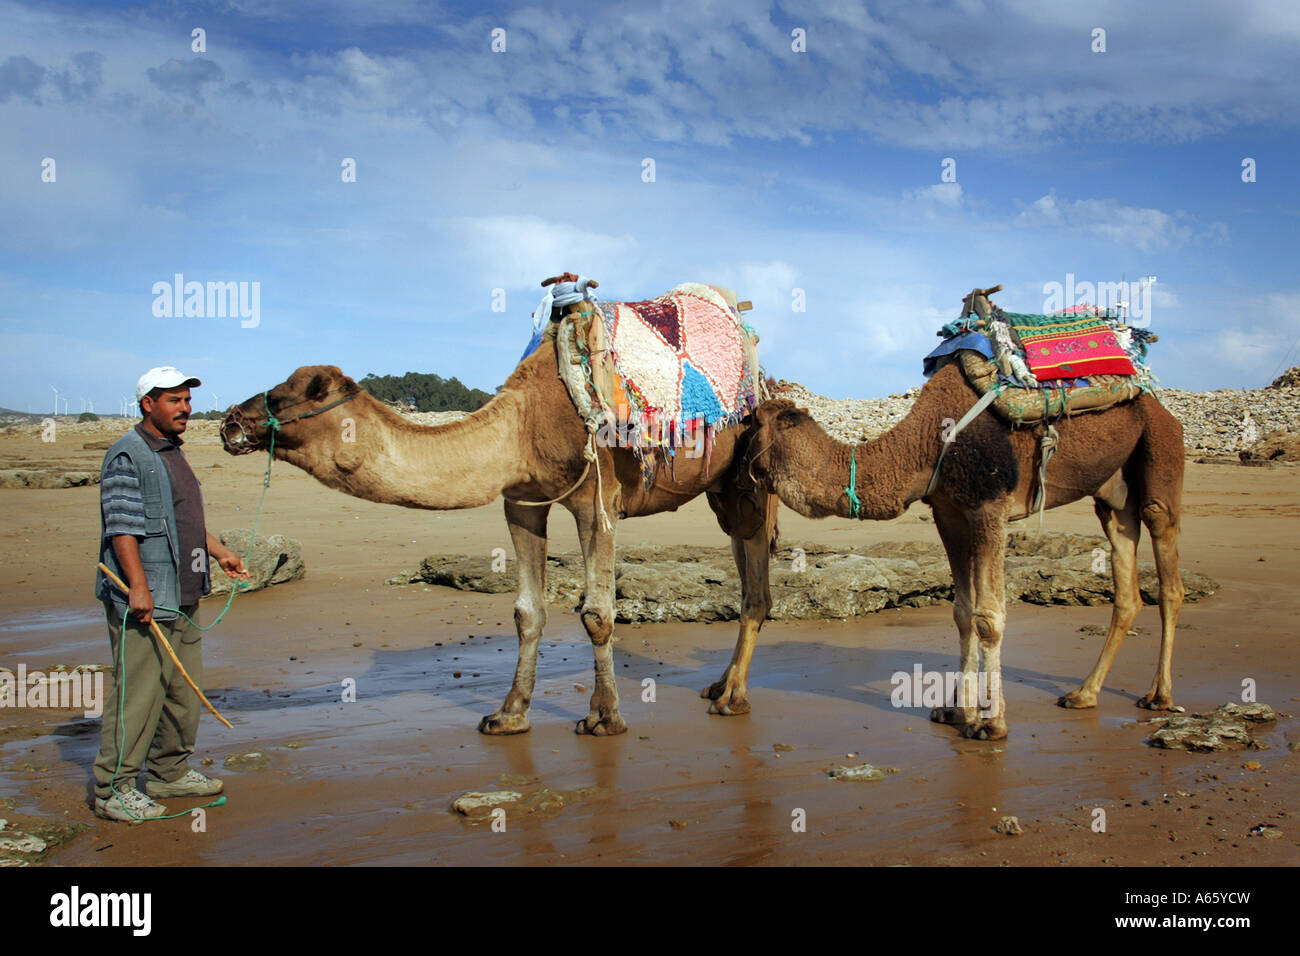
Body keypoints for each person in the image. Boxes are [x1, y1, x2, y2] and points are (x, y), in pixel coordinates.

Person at [92, 366, 248, 822]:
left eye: (187, 400)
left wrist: (219, 553)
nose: (186, 408)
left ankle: (169, 772)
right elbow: (121, 527)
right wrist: (138, 587)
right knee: (137, 694)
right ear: (148, 404)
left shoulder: (172, 451)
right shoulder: (128, 454)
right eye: (175, 401)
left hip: (184, 591)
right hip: (146, 596)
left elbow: (184, 518)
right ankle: (112, 789)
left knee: (182, 690)